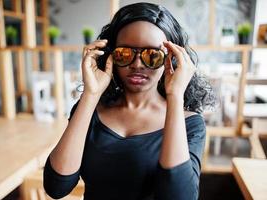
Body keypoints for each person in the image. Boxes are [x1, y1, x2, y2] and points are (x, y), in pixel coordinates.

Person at [43, 2, 216, 200]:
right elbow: (56, 187)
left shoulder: (189, 124)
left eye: (152, 55)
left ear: (172, 59)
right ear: (111, 56)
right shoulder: (90, 111)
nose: (137, 64)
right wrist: (91, 95)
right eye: (124, 53)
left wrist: (175, 96)